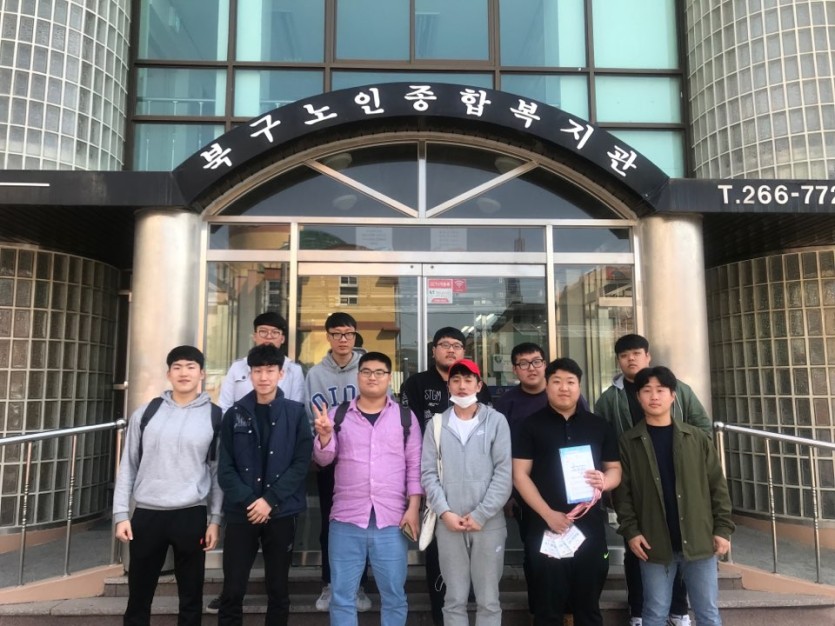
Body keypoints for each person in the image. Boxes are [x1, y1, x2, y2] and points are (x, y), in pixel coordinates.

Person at [594, 334, 711, 626]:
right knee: (637, 550)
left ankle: (678, 609)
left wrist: (689, 457)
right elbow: (602, 439)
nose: (631, 359)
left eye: (636, 353)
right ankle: (637, 610)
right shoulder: (609, 399)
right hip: (635, 483)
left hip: (678, 482)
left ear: (647, 355)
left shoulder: (677, 389)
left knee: (681, 547)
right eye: (624, 355)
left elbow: (702, 426)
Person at [613, 366, 733, 626]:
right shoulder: (628, 442)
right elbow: (623, 495)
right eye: (647, 390)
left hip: (699, 541)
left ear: (673, 396)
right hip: (653, 544)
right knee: (654, 612)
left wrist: (723, 529)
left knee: (708, 612)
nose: (654, 396)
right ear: (638, 397)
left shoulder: (696, 438)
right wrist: (631, 532)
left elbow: (717, 487)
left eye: (661, 390)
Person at [113, 345, 222, 626]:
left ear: (202, 373)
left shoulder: (214, 416)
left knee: (191, 596)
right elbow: (128, 465)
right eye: (177, 367)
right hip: (148, 513)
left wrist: (215, 519)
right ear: (168, 373)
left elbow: (217, 472)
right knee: (139, 595)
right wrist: (121, 514)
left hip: (191, 513)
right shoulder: (146, 413)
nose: (184, 373)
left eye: (191, 367)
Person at [312, 351, 423, 626]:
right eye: (366, 372)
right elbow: (324, 460)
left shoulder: (405, 418)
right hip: (347, 519)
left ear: (389, 378)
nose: (372, 377)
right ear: (358, 376)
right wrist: (324, 436)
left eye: (379, 372)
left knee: (394, 595)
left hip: (391, 519)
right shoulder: (338, 415)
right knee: (342, 596)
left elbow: (415, 467)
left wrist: (413, 508)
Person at [207, 311, 304, 614]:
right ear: (249, 374)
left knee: (279, 589)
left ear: (281, 374)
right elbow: (226, 468)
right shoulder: (235, 414)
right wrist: (252, 502)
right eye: (258, 371)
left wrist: (270, 501)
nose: (264, 377)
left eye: (270, 370)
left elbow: (300, 463)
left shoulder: (295, 413)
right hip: (242, 511)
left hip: (281, 510)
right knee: (233, 589)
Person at [513, 357, 622, 626]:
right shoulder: (530, 425)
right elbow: (520, 475)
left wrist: (604, 481)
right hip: (545, 526)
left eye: (570, 382)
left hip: (589, 525)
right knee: (548, 607)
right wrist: (548, 514)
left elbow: (615, 470)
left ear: (579, 386)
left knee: (588, 605)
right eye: (557, 382)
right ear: (547, 385)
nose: (564, 388)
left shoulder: (599, 425)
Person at [400, 326, 491, 625]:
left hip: (476, 484)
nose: (451, 350)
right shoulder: (416, 384)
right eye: (444, 344)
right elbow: (408, 433)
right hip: (435, 481)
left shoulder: (479, 387)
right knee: (440, 555)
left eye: (457, 345)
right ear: (433, 350)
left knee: (477, 556)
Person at [420, 358, 512, 626]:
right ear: (448, 386)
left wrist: (481, 514)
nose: (462, 386)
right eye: (456, 380)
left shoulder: (496, 421)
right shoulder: (437, 424)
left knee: (489, 600)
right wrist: (444, 512)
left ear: (479, 385)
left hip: (488, 523)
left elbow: (504, 473)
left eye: (468, 380)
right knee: (453, 600)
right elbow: (428, 473)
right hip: (449, 523)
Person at [304, 311, 371, 612]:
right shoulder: (315, 375)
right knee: (330, 524)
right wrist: (317, 449)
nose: (343, 339)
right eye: (337, 334)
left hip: (364, 460)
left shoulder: (368, 368)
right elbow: (308, 416)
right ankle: (330, 583)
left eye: (348, 333)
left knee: (364, 524)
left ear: (355, 336)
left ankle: (359, 586)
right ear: (328, 337)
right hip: (330, 459)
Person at [218, 311, 304, 409]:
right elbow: (224, 406)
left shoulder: (294, 370)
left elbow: (296, 408)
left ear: (282, 339)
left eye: (275, 332)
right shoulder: (237, 367)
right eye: (263, 331)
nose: (269, 336)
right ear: (255, 336)